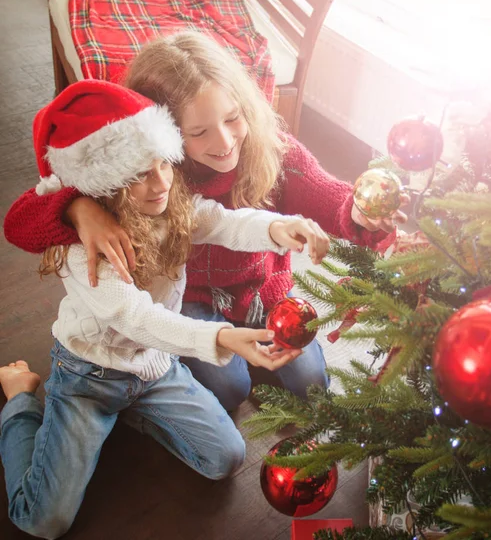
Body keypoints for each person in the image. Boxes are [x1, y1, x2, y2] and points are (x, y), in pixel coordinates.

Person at [4, 31, 406, 412]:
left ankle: (244, 355)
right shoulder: (153, 171)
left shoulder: (270, 150)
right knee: (230, 389)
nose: (225, 142)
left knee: (311, 381)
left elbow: (325, 192)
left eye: (233, 118)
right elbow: (21, 220)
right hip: (193, 302)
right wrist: (78, 207)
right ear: (164, 133)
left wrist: (358, 211)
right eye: (199, 131)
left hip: (264, 294)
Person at [0, 79, 329, 539]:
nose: (160, 184)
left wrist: (282, 227)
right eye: (139, 174)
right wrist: (219, 338)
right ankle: (18, 399)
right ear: (103, 183)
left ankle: (130, 414)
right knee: (43, 520)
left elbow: (226, 223)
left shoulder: (170, 206)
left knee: (226, 458)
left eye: (163, 165)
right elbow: (138, 318)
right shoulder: (84, 248)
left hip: (154, 371)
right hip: (88, 378)